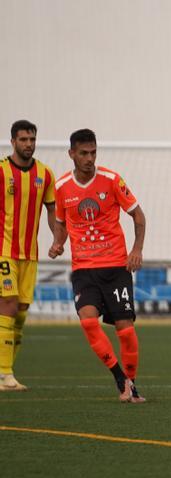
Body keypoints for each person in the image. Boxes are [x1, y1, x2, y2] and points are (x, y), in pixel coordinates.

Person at [49, 129, 146, 402]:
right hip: (84, 269)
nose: (89, 158)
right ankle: (120, 378)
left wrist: (136, 250)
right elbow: (61, 223)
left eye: (93, 152)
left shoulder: (112, 180)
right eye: (83, 153)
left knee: (125, 329)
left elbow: (138, 215)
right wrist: (58, 243)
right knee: (89, 322)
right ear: (72, 154)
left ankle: (133, 384)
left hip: (116, 267)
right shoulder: (62, 187)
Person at [0, 120, 58, 392]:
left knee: (21, 313)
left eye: (32, 139)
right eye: (23, 139)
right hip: (4, 251)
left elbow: (51, 210)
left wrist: (58, 239)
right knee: (8, 304)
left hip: (30, 254)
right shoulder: (1, 172)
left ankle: (5, 368)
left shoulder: (45, 174)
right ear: (12, 141)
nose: (28, 144)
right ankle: (4, 374)